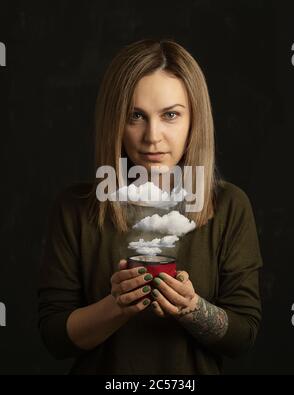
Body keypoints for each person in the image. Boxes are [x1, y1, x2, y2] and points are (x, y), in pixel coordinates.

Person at [38, 38, 263, 375]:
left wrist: (193, 308)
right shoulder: (76, 208)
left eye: (170, 115)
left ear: (194, 120)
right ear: (115, 121)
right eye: (135, 116)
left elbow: (243, 336)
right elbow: (54, 337)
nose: (152, 136)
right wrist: (115, 307)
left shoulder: (229, 205)